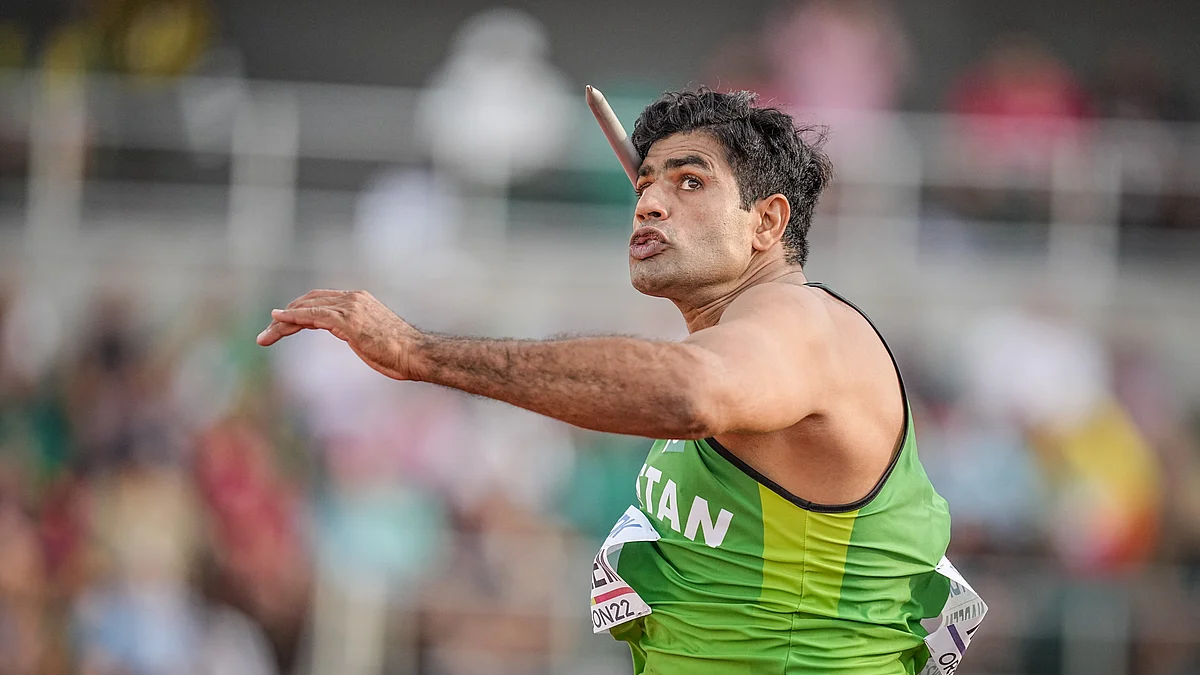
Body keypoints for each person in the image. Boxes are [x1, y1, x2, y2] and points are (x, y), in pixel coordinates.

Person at [257, 89, 957, 674]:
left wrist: (416, 352)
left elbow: (686, 393)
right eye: (646, 181)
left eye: (690, 182)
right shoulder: (744, 345)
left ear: (767, 221)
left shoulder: (802, 323)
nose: (650, 202)